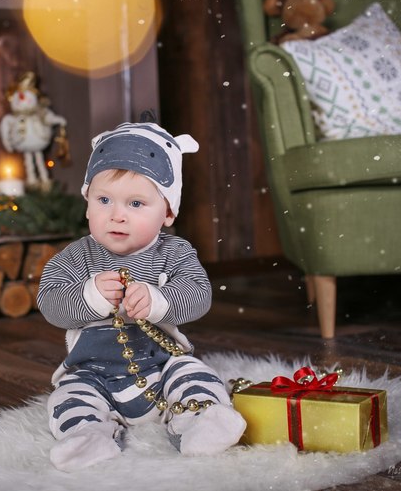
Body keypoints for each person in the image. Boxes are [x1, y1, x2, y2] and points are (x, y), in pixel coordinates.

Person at [37, 113, 246, 472]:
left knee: (194, 375)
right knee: (69, 396)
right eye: (104, 200)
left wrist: (159, 301)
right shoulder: (75, 257)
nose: (117, 215)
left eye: (135, 204)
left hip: (162, 365)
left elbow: (199, 294)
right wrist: (88, 297)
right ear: (87, 202)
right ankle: (87, 435)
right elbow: (50, 302)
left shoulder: (175, 253)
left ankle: (199, 423)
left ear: (168, 212)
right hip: (93, 373)